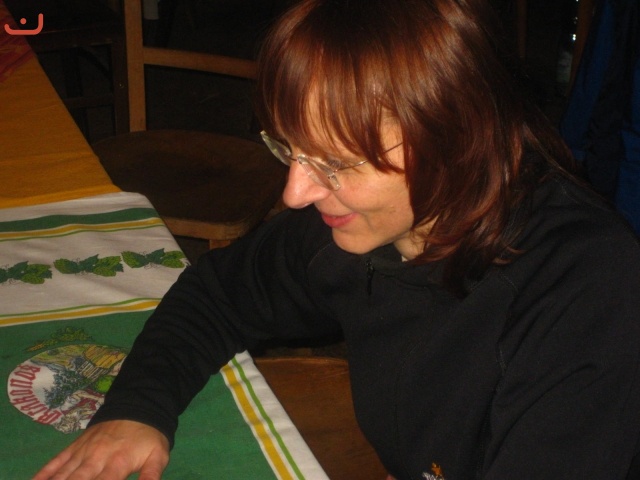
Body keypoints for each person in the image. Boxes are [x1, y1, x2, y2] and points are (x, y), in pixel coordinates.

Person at [35, 0, 640, 479]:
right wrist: (137, 408)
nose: (296, 192)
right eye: (289, 148)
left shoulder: (587, 289)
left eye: (337, 163)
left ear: (458, 140)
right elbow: (217, 293)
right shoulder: (365, 227)